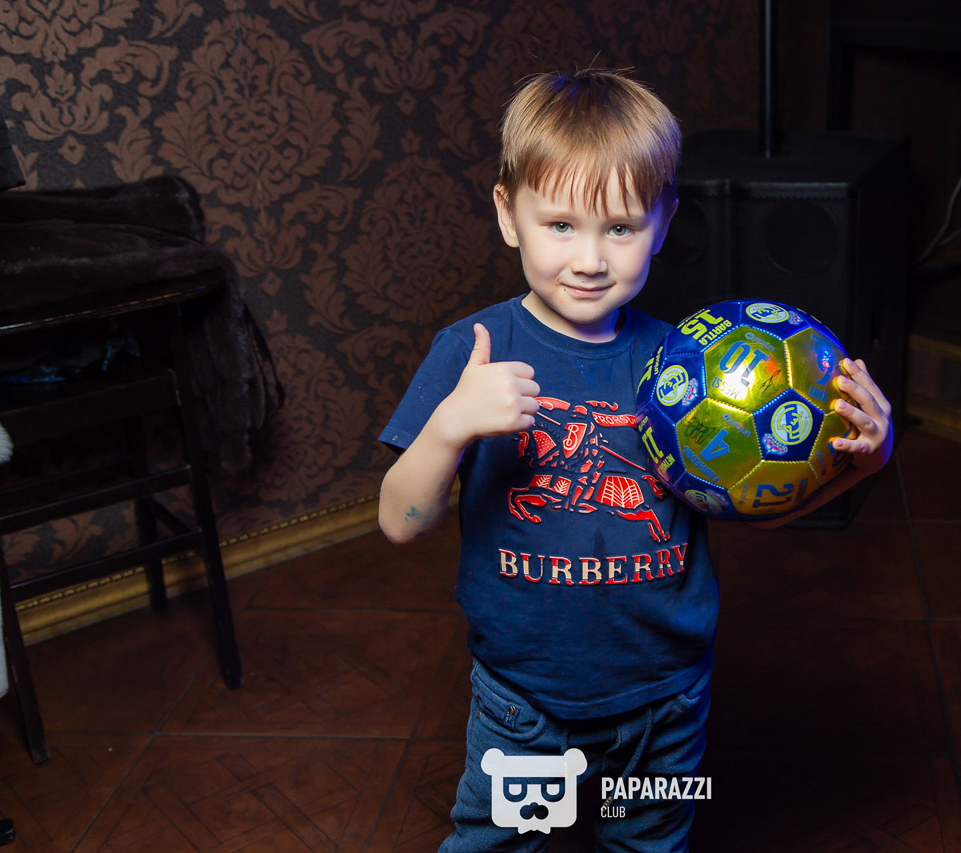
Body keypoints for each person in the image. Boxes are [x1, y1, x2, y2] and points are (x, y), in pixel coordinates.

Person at [377, 68, 893, 851]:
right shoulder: (471, 353)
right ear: (508, 215)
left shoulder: (688, 367)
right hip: (525, 703)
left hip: (666, 704)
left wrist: (865, 461)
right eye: (559, 224)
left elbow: (757, 508)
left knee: (646, 843)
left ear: (664, 223)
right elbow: (400, 522)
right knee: (499, 844)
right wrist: (449, 426)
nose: (589, 258)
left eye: (619, 227)